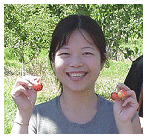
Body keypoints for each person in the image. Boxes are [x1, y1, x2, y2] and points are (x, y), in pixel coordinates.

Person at [11, 15, 141, 134]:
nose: (75, 63)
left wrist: (124, 125)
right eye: (65, 53)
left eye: (87, 53)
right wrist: (23, 114)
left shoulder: (126, 116)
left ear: (102, 61)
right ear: (53, 60)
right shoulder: (35, 117)